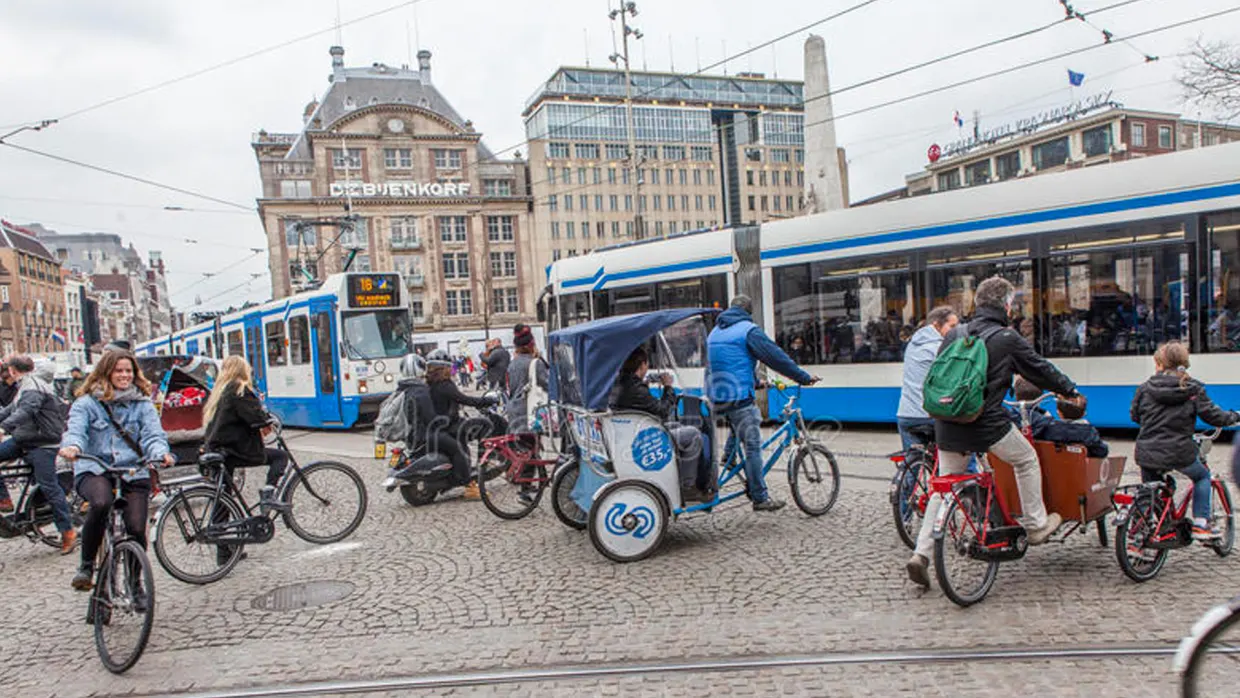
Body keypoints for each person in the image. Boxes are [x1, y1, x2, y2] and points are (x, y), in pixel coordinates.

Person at [906, 276, 1084, 589]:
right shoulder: (1006, 337)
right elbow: (1039, 369)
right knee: (1026, 459)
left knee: (943, 485)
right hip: (985, 423)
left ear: (977, 304)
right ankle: (1036, 525)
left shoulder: (954, 335)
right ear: (1006, 305)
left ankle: (920, 554)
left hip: (946, 421)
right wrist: (1069, 390)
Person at [59, 350, 173, 593]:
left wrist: (160, 453)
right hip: (95, 468)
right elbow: (76, 430)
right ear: (107, 372)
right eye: (119, 370)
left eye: (128, 371)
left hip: (132, 469)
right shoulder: (87, 403)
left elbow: (153, 434)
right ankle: (87, 566)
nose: (124, 375)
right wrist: (73, 446)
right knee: (101, 502)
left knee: (135, 528)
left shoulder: (142, 404)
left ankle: (135, 583)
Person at [706, 295, 819, 511]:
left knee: (738, 421)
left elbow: (728, 363)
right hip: (738, 397)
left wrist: (756, 383)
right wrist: (803, 377)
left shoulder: (715, 331)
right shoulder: (748, 330)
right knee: (753, 446)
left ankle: (729, 457)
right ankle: (760, 497)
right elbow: (776, 357)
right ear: (748, 312)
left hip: (717, 397)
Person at [1131, 341, 1239, 540]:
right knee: (1202, 476)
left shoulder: (1145, 388)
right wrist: (1234, 416)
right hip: (1179, 451)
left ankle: (1139, 531)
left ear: (1160, 364)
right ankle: (1201, 523)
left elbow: (1135, 416)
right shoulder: (1192, 388)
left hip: (1146, 451)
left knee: (1148, 490)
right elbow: (1215, 417)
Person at [613, 347, 714, 503]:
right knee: (694, 434)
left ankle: (681, 473)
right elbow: (663, 410)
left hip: (633, 431)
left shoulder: (621, 384)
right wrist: (668, 387)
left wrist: (644, 384)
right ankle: (687, 486)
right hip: (643, 437)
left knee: (675, 425)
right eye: (647, 364)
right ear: (642, 365)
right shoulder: (636, 390)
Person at [0, 355, 76, 552]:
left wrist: (2, 429)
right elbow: (9, 410)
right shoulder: (24, 385)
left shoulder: (33, 385)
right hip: (24, 438)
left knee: (49, 486)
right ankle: (4, 499)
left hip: (42, 443)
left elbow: (26, 410)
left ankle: (67, 531)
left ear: (12, 371)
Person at [202, 356, 287, 506]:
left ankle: (218, 527)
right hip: (232, 450)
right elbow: (255, 417)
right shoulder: (239, 389)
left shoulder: (219, 392)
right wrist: (268, 421)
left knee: (223, 498)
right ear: (243, 370)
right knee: (280, 457)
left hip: (217, 449)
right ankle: (268, 495)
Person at [426, 350, 502, 500]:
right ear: (445, 368)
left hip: (440, 425)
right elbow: (465, 400)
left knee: (466, 434)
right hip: (448, 426)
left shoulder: (430, 384)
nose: (452, 370)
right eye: (450, 367)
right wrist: (487, 401)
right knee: (484, 427)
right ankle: (477, 472)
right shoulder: (445, 385)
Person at [896, 306, 959, 451]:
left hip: (906, 414)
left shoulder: (912, 344)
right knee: (963, 456)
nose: (956, 331)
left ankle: (909, 472)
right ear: (936, 325)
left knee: (912, 463)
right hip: (930, 415)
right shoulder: (941, 347)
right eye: (952, 326)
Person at [504, 324, 548, 434]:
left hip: (514, 409)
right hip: (529, 411)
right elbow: (547, 385)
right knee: (532, 446)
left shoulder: (512, 364)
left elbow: (510, 387)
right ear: (531, 344)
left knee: (521, 447)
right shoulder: (536, 363)